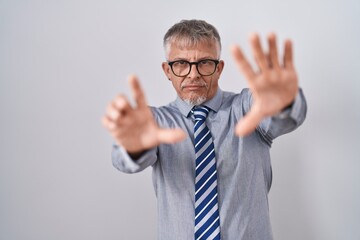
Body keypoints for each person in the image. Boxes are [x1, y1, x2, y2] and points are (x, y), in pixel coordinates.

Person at [102, 19, 307, 240]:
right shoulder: (154, 122)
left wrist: (284, 102)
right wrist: (133, 148)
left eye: (205, 63)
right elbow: (122, 160)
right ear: (167, 70)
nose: (193, 74)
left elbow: (284, 117)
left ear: (219, 69)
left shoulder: (247, 108)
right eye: (181, 63)